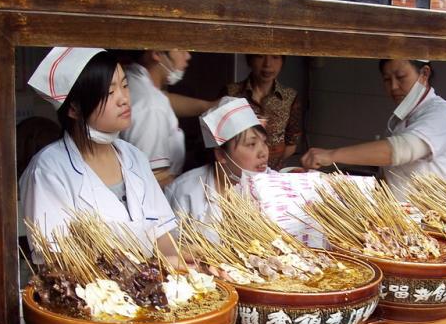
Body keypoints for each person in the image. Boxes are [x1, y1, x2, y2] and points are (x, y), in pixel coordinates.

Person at [19, 47, 177, 261]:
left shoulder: (135, 158)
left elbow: (163, 239)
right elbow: (60, 264)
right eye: (109, 92)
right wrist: (146, 270)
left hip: (153, 290)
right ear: (74, 108)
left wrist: (184, 263)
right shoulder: (48, 171)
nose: (123, 99)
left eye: (125, 85)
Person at [302, 59, 446, 200]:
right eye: (387, 79)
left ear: (424, 73)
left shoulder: (441, 113)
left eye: (401, 77)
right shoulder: (401, 119)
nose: (393, 86)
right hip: (406, 220)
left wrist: (331, 155)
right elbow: (391, 178)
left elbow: (401, 149)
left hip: (439, 225)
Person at [164, 97, 269, 225]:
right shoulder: (184, 192)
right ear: (221, 154)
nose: (263, 153)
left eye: (264, 142)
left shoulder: (276, 186)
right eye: (251, 144)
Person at [118, 49, 215, 188]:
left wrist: (209, 106)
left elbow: (166, 99)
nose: (188, 55)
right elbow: (155, 181)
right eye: (181, 48)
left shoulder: (133, 79)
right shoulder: (152, 106)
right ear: (156, 53)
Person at [222, 55, 302, 170]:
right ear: (249, 60)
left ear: (282, 62)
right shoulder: (230, 94)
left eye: (275, 57)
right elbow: (220, 141)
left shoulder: (290, 98)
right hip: (237, 173)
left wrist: (270, 166)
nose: (267, 64)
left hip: (274, 174)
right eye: (260, 57)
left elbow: (291, 143)